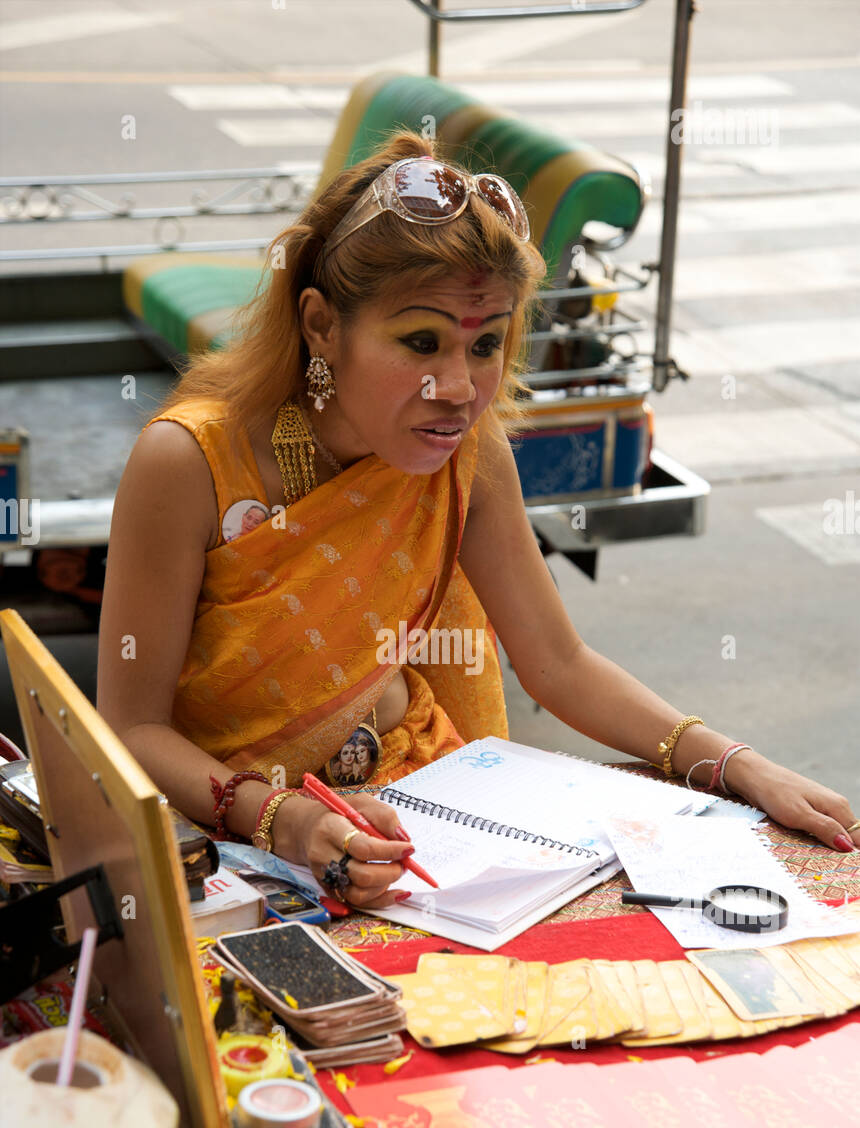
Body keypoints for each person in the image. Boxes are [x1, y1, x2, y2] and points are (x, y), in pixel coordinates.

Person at [97, 131, 859, 915]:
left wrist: (734, 765)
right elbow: (130, 728)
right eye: (421, 341)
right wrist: (279, 817)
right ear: (322, 326)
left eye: (486, 342)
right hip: (231, 838)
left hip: (434, 812)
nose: (460, 387)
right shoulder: (188, 464)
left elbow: (557, 661)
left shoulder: (470, 456)